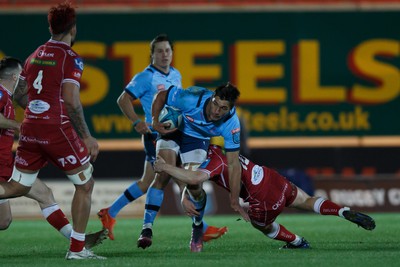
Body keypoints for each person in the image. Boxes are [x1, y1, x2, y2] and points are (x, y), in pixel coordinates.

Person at [97, 34, 227, 244]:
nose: (164, 55)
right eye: (159, 51)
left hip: (175, 133)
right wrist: (136, 122)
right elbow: (123, 99)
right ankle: (196, 227)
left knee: (152, 180)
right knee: (169, 178)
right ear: (152, 55)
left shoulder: (176, 74)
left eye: (167, 50)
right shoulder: (145, 77)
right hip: (154, 134)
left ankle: (110, 212)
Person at [0, 2, 105, 260]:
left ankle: (77, 244)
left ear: (50, 26)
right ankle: (77, 250)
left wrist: (36, 111)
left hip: (31, 129)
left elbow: (21, 94)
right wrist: (87, 136)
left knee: (17, 186)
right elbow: (71, 100)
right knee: (85, 184)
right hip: (56, 128)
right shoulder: (70, 57)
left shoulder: (34, 55)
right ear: (73, 28)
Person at [153, 143, 376, 249]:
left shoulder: (213, 162)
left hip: (260, 195)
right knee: (306, 200)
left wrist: (165, 167)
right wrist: (184, 194)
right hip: (270, 176)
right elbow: (193, 176)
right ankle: (342, 210)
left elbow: (193, 178)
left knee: (263, 226)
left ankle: (297, 242)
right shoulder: (216, 149)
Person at [138, 82, 246, 252]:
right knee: (162, 174)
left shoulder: (232, 124)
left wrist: (234, 198)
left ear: (230, 109)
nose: (216, 111)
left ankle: (197, 227)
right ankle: (146, 229)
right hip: (173, 128)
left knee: (195, 187)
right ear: (212, 97)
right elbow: (160, 96)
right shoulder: (190, 99)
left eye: (223, 108)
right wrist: (155, 121)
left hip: (197, 139)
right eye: (215, 103)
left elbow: (233, 164)